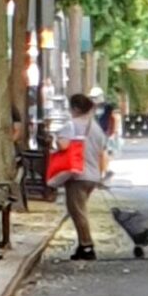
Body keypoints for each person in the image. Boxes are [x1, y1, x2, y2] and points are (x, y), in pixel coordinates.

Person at [59, 91, 110, 261]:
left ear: (75, 108)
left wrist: (55, 141)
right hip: (92, 174)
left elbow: (63, 145)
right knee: (80, 210)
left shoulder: (71, 126)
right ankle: (82, 245)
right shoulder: (96, 128)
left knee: (78, 212)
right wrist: (101, 175)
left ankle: (87, 246)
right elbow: (103, 153)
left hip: (76, 174)